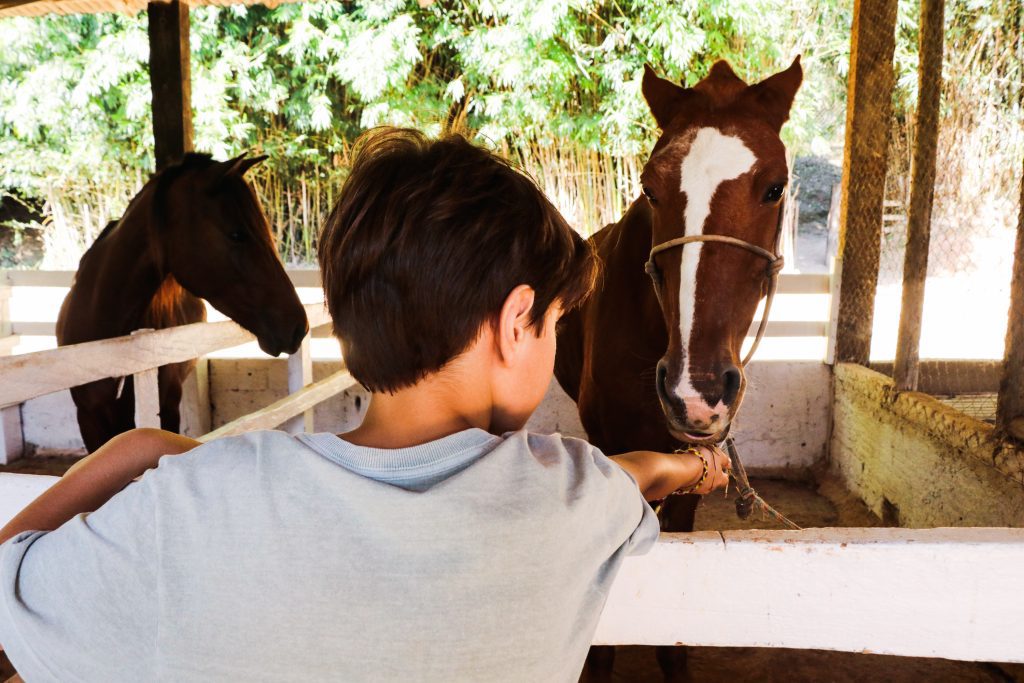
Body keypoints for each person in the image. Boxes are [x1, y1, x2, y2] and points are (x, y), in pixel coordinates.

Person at [0, 127, 731, 682]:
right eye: (553, 326)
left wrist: (141, 450)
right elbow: (635, 473)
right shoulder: (571, 493)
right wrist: (694, 467)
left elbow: (10, 579)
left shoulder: (195, 498)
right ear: (515, 324)